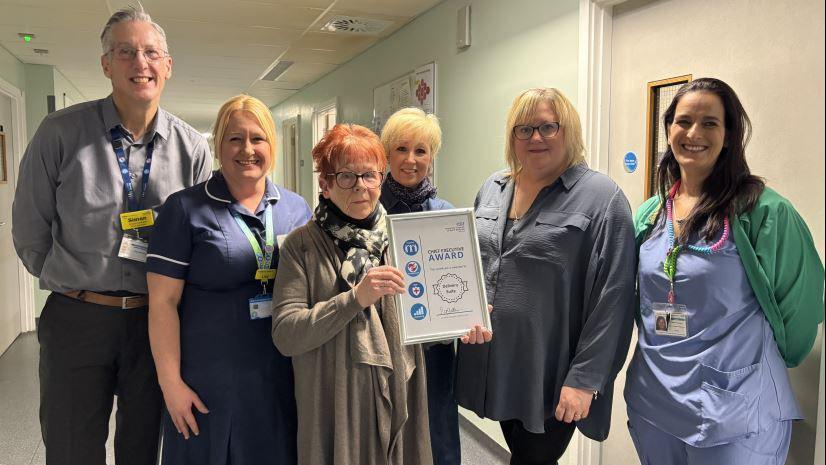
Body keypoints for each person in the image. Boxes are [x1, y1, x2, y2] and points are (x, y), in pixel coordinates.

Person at [11, 5, 211, 465]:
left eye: (150, 53)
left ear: (167, 65)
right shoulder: (60, 133)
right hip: (78, 318)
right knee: (71, 445)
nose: (140, 63)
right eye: (126, 52)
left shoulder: (192, 148)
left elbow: (200, 235)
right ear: (106, 64)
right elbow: (29, 228)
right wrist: (72, 280)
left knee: (142, 446)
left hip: (154, 323)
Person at [625, 77, 824, 465]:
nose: (693, 133)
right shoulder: (650, 214)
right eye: (683, 121)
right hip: (654, 402)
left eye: (710, 123)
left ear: (729, 135)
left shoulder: (766, 213)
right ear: (669, 130)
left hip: (734, 412)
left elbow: (801, 310)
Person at [271, 123, 490, 465]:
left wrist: (464, 316)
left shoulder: (401, 238)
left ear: (380, 178)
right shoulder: (302, 245)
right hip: (337, 403)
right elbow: (286, 334)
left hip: (400, 396)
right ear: (325, 185)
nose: (360, 187)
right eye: (346, 176)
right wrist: (354, 298)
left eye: (369, 175)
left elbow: (426, 312)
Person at [454, 88, 636, 465]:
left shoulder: (602, 198)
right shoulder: (493, 188)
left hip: (553, 372)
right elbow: (472, 263)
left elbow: (614, 298)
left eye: (547, 127)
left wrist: (585, 379)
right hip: (498, 363)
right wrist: (459, 311)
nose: (535, 137)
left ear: (568, 131)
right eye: (524, 129)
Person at [145, 95, 311, 464]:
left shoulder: (297, 209)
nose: (247, 149)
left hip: (278, 376)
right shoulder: (184, 208)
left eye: (258, 139)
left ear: (272, 145)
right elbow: (162, 303)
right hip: (207, 381)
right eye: (235, 138)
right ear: (218, 145)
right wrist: (170, 385)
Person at [378, 107, 459, 465]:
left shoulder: (445, 213)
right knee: (382, 434)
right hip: (379, 346)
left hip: (433, 352)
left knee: (436, 437)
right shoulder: (367, 209)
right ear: (386, 154)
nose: (411, 160)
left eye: (421, 151)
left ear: (432, 156)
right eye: (401, 149)